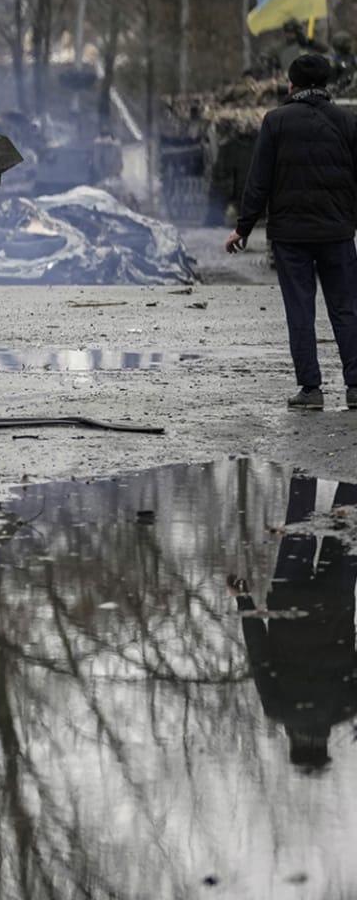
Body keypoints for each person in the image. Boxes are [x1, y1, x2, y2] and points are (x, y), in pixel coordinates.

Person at [225, 51, 357, 408]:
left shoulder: (276, 121)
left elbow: (259, 179)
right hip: (337, 233)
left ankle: (311, 390)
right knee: (346, 309)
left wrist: (243, 228)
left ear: (291, 83)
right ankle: (356, 386)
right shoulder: (346, 121)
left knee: (300, 311)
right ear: (326, 84)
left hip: (291, 236)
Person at [231, 474, 357, 771]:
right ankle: (304, 464)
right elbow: (259, 653)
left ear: (323, 743)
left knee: (346, 523)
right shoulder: (277, 709)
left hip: (335, 601)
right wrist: (243, 599)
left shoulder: (345, 708)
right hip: (290, 596)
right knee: (299, 521)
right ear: (294, 743)